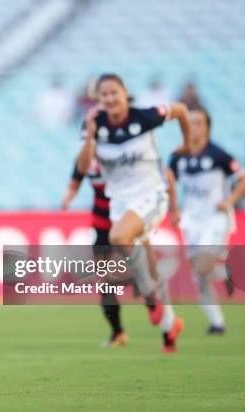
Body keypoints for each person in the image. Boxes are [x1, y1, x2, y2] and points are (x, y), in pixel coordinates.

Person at [77, 73, 190, 352]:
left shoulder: (146, 116)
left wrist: (187, 146)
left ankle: (152, 298)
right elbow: (82, 166)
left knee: (119, 236)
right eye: (105, 95)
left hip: (150, 196)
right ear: (99, 99)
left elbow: (182, 110)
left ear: (125, 92)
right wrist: (90, 137)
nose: (110, 99)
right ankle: (169, 328)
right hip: (121, 204)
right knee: (145, 269)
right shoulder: (95, 124)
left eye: (114, 93)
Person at [167, 107, 245, 335]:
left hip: (214, 219)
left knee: (203, 267)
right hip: (191, 221)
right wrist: (174, 210)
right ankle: (217, 323)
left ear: (206, 127)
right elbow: (169, 184)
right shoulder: (178, 157)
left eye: (198, 123)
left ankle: (233, 272)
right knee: (199, 276)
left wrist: (230, 201)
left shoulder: (218, 155)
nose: (194, 127)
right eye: (190, 122)